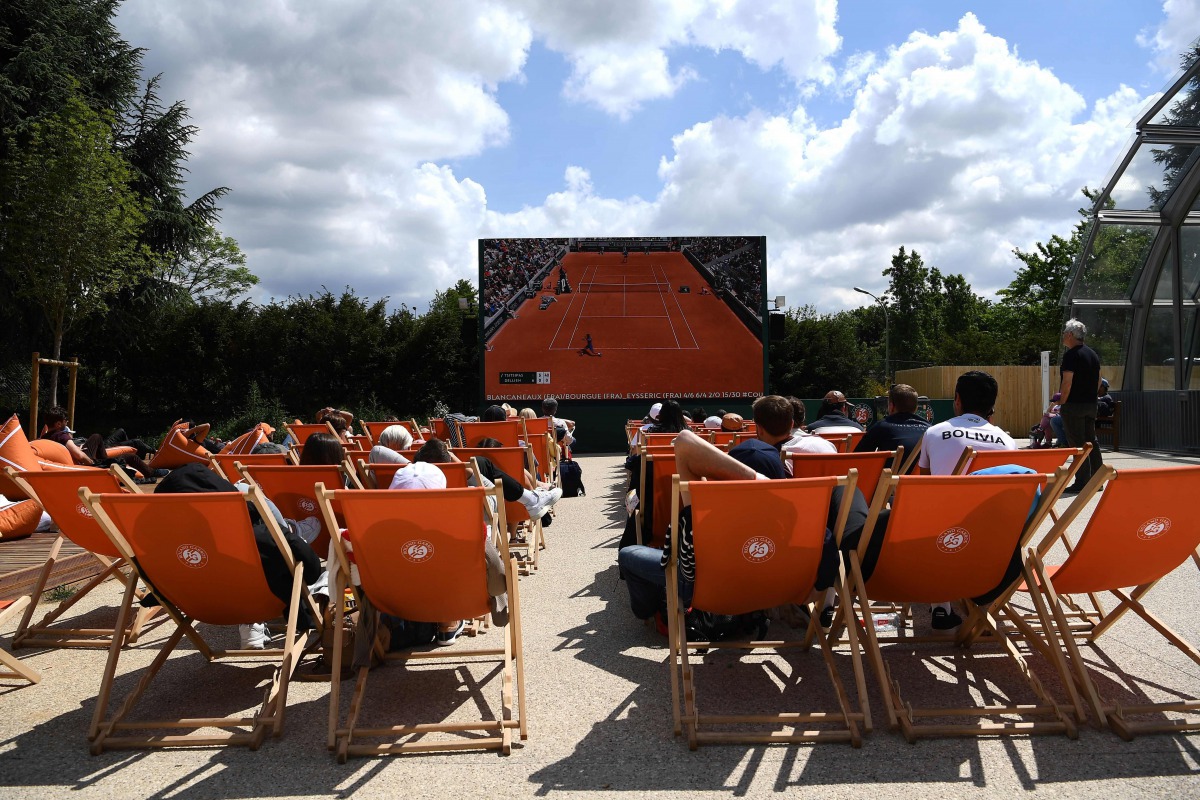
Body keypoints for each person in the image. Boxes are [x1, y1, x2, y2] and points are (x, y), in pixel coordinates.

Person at [917, 370, 1016, 630]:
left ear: (958, 400)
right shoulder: (1007, 441)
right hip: (992, 538)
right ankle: (981, 608)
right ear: (992, 404)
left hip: (942, 536)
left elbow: (924, 486)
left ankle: (940, 605)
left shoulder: (935, 432)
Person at [1058, 319, 1103, 494]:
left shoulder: (1071, 355)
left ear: (1070, 335)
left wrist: (1062, 401)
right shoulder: (1092, 354)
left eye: (1064, 333)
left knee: (1078, 444)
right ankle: (1098, 480)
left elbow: (1067, 382)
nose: (1063, 336)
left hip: (1074, 405)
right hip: (1091, 404)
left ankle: (1082, 482)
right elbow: (1099, 380)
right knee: (1092, 442)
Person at [854, 384, 930, 462]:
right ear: (916, 408)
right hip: (924, 474)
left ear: (891, 406)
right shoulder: (930, 429)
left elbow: (857, 458)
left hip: (891, 474)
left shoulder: (881, 427)